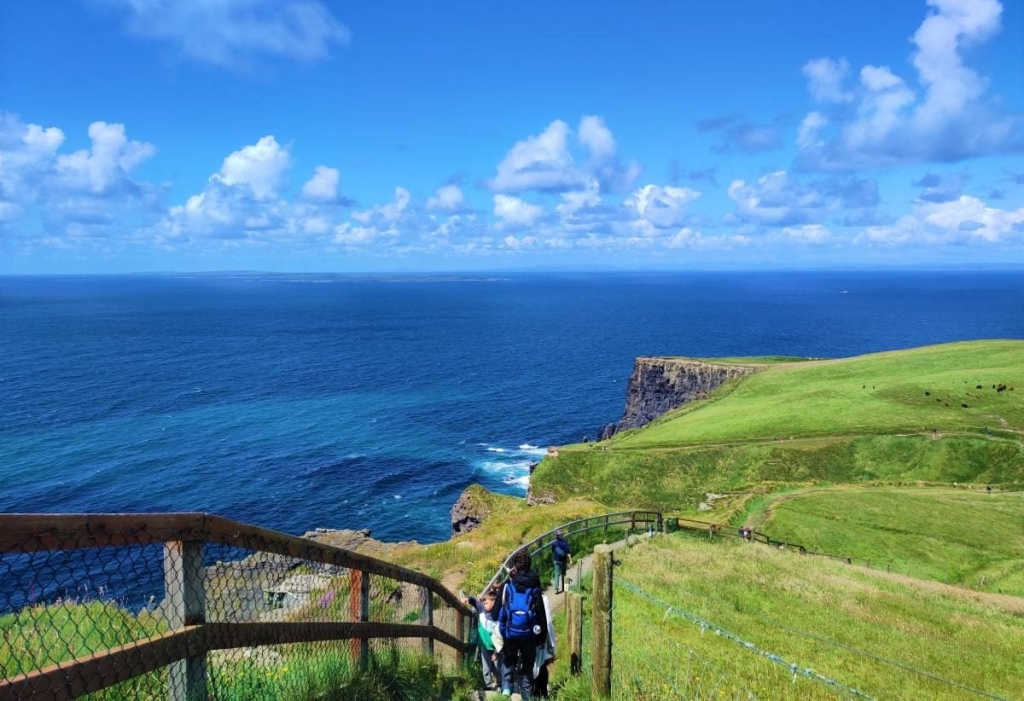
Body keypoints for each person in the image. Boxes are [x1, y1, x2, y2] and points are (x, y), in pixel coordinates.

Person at [499, 548, 547, 699]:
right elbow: (541, 614)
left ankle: (506, 690)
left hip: (511, 634)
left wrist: (503, 633)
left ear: (515, 567)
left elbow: (503, 613)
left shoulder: (509, 586)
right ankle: (527, 697)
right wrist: (542, 637)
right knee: (527, 668)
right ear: (529, 565)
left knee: (508, 660)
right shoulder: (535, 586)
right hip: (529, 635)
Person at [462, 588, 503, 690]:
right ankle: (487, 684)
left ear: (493, 602)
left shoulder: (499, 615)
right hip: (484, 645)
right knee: (486, 666)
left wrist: (496, 652)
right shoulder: (482, 609)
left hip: (496, 646)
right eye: (483, 602)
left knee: (497, 666)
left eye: (486, 603)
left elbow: (501, 636)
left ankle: (500, 683)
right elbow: (475, 601)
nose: (484, 604)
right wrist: (468, 599)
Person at [532, 590, 556, 697]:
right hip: (539, 638)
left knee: (526, 666)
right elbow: (548, 622)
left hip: (520, 638)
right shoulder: (542, 598)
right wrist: (551, 645)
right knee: (541, 665)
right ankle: (541, 693)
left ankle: (528, 695)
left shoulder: (516, 593)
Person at [551, 530, 573, 594]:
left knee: (557, 574)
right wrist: (570, 560)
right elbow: (568, 552)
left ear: (556, 536)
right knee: (563, 574)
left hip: (556, 560)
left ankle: (556, 589)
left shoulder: (554, 543)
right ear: (561, 536)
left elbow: (553, 551)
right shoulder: (564, 543)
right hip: (563, 561)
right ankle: (564, 588)